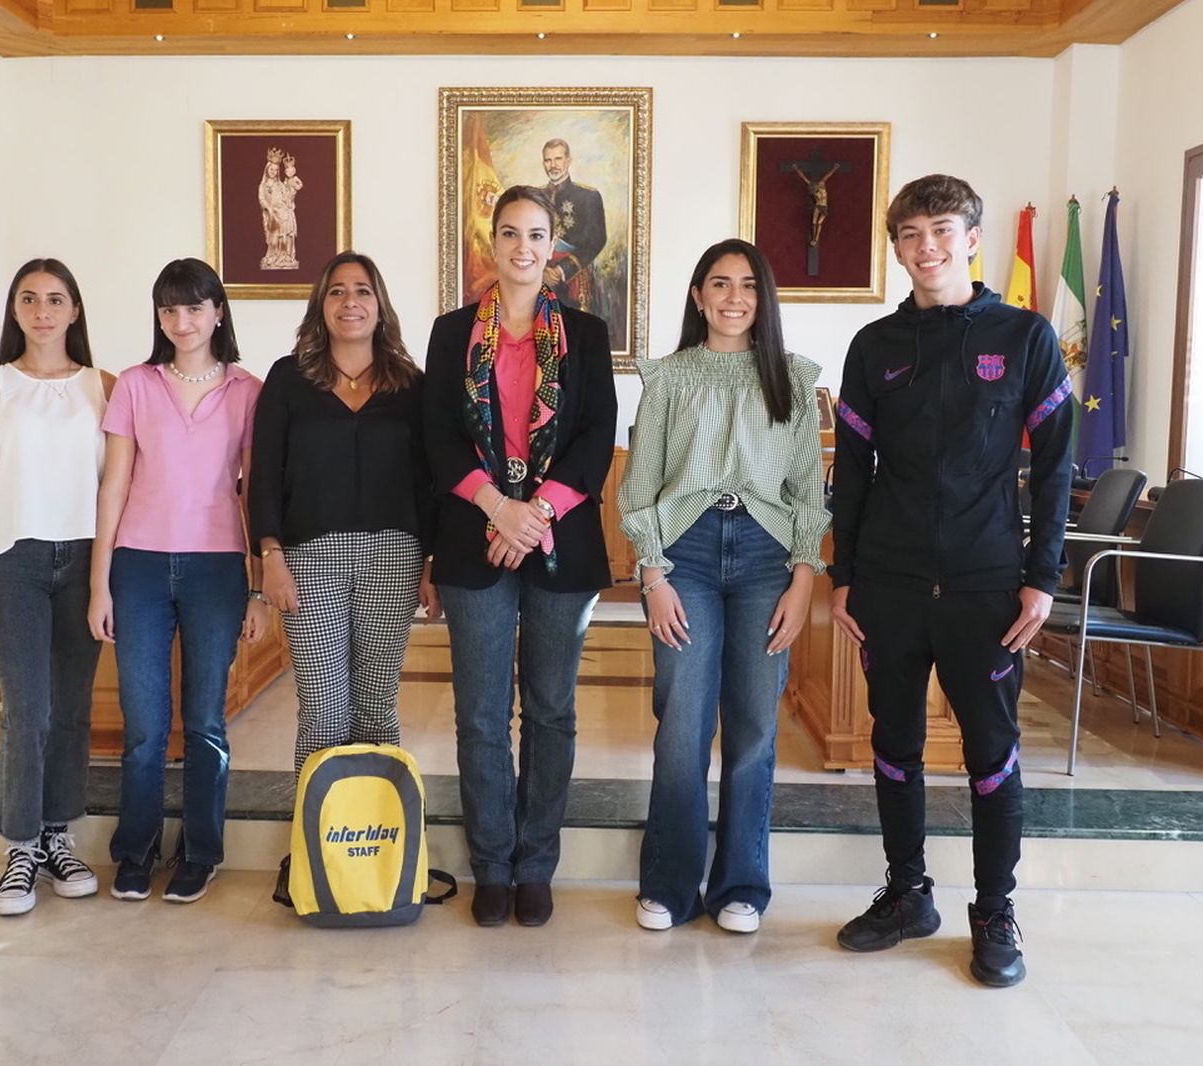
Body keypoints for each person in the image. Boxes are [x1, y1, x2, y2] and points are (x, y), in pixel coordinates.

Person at [829, 174, 1073, 987]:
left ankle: (995, 911)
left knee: (990, 754)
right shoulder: (875, 348)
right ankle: (907, 894)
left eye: (940, 229)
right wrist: (843, 575)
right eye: (908, 234)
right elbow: (853, 476)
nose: (925, 246)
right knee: (894, 745)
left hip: (987, 587)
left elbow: (1056, 470)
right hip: (890, 586)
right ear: (895, 247)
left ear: (972, 236)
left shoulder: (1027, 336)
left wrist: (1042, 577)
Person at [619, 238, 829, 934]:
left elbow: (808, 490)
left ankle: (742, 885)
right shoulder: (670, 379)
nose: (734, 297)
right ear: (697, 296)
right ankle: (671, 884)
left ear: (763, 299)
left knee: (755, 724)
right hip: (688, 556)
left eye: (748, 285)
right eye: (719, 283)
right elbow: (641, 484)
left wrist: (804, 579)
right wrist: (653, 575)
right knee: (682, 722)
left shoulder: (794, 381)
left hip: (769, 558)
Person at [423, 184, 618, 928]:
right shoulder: (450, 335)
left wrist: (532, 514)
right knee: (478, 715)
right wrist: (495, 506)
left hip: (557, 542)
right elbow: (438, 439)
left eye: (538, 235)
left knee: (550, 711)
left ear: (553, 248)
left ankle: (535, 865)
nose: (524, 247)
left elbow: (595, 439)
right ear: (492, 244)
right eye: (511, 233)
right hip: (474, 539)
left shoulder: (585, 335)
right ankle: (492, 865)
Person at [89, 257, 269, 905]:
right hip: (137, 565)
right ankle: (134, 850)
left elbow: (254, 496)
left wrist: (253, 586)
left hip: (217, 569)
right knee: (142, 725)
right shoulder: (135, 385)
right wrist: (99, 582)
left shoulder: (247, 391)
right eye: (169, 309)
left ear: (219, 312)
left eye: (194, 307)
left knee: (204, 723)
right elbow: (112, 486)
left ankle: (200, 851)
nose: (182, 321)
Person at [0, 258, 115, 916]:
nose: (42, 311)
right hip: (12, 562)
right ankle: (19, 847)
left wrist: (109, 575)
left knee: (71, 709)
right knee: (27, 711)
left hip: (82, 562)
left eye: (55, 299)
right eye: (29, 299)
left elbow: (115, 487)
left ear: (75, 310)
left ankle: (56, 834)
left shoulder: (103, 386)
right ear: (15, 311)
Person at [249, 252, 439, 774]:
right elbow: (264, 471)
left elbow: (429, 481)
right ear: (320, 305)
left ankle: (377, 843)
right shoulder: (288, 379)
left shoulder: (412, 385)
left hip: (393, 557)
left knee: (377, 710)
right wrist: (270, 555)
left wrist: (430, 562)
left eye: (361, 290)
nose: (349, 301)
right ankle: (316, 847)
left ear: (380, 306)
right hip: (308, 559)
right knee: (322, 712)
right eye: (337, 291)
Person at [539, 138, 607, 313]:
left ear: (568, 161)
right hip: (539, 278)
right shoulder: (534, 196)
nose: (553, 165)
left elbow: (596, 241)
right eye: (548, 160)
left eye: (558, 159)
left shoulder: (588, 196)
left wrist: (562, 270)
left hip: (574, 279)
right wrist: (542, 271)